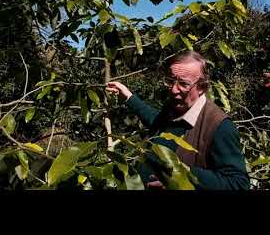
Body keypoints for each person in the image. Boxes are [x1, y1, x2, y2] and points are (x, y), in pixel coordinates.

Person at [106, 51, 250, 190]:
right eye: (170, 81)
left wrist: (181, 178)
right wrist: (128, 97)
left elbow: (238, 184)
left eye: (183, 84)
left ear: (202, 87)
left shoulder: (219, 126)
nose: (174, 90)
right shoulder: (176, 108)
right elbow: (156, 120)